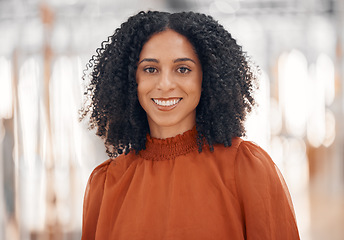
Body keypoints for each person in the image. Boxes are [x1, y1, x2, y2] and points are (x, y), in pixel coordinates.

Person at [80, 11, 300, 240]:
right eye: (150, 69)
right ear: (131, 80)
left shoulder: (245, 168)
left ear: (206, 78)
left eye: (182, 69)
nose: (165, 85)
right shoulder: (106, 184)